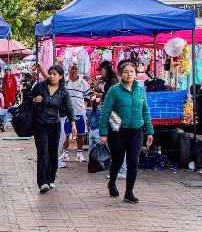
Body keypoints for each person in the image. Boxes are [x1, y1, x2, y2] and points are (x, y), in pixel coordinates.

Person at [99, 60, 154, 204]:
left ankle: (129, 192)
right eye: (125, 72)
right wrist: (103, 133)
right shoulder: (114, 90)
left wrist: (149, 131)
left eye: (131, 71)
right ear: (120, 74)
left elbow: (145, 111)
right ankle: (112, 183)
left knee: (133, 162)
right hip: (118, 131)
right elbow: (106, 111)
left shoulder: (140, 90)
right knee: (117, 160)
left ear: (135, 74)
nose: (129, 74)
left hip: (136, 131)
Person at [30, 65, 75, 193]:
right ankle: (43, 182)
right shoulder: (40, 86)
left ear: (60, 76)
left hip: (55, 124)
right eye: (50, 73)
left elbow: (69, 108)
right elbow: (28, 98)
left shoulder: (63, 91)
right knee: (43, 152)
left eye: (55, 74)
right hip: (40, 123)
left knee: (53, 152)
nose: (51, 76)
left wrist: (73, 123)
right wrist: (34, 99)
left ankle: (51, 179)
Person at [61, 63, 92, 163]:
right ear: (68, 70)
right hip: (66, 113)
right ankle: (65, 153)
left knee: (80, 134)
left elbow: (88, 97)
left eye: (75, 69)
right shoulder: (64, 82)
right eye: (72, 68)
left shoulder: (83, 82)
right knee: (66, 133)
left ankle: (79, 153)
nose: (73, 70)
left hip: (79, 112)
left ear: (78, 70)